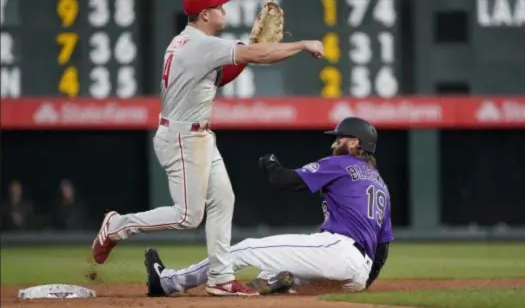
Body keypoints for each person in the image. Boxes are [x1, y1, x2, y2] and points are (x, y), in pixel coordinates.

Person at [91, 0, 325, 297]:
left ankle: (220, 277)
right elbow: (260, 55)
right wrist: (302, 44)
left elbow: (219, 77)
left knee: (223, 200)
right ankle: (118, 225)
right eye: (218, 7)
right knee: (188, 216)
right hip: (183, 138)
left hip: (197, 136)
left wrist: (245, 57)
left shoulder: (187, 42)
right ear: (204, 15)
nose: (223, 10)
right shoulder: (201, 44)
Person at [143, 117, 394, 297]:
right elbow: (382, 249)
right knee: (272, 274)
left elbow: (283, 180)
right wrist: (363, 284)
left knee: (245, 249)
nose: (335, 141)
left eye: (340, 137)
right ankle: (277, 283)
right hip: (358, 272)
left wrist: (270, 163)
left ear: (354, 143)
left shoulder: (342, 163)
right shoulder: (381, 184)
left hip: (339, 251)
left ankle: (167, 282)